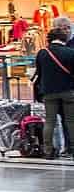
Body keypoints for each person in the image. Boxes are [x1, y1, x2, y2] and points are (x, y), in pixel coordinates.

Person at [36, 28, 74, 159]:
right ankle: (72, 148)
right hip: (68, 91)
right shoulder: (70, 53)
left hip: (49, 92)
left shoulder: (42, 53)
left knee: (50, 121)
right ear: (64, 38)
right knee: (70, 120)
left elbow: (39, 74)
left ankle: (48, 150)